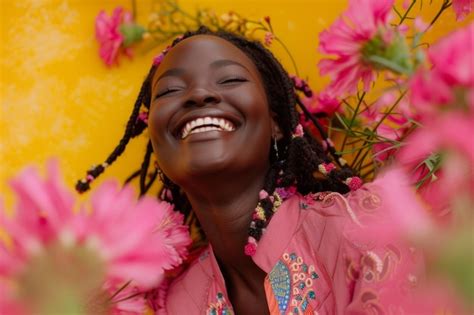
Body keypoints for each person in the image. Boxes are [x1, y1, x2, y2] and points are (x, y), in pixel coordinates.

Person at [76, 27, 419, 315]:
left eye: (229, 79)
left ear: (277, 124)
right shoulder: (178, 302)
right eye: (170, 90)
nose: (198, 94)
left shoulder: (365, 228)